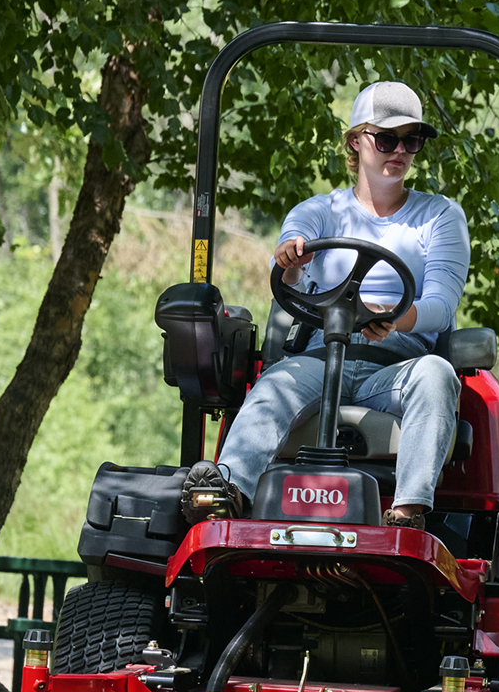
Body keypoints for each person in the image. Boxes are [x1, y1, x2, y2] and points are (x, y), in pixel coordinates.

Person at [196, 81, 470, 526]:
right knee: (273, 385)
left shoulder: (439, 215)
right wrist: (290, 258)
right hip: (322, 356)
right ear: (356, 141)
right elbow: (291, 254)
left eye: (411, 140)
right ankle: (227, 491)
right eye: (386, 139)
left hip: (396, 366)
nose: (398, 150)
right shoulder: (321, 211)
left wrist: (396, 319)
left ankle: (407, 511)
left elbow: (440, 305)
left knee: (437, 374)